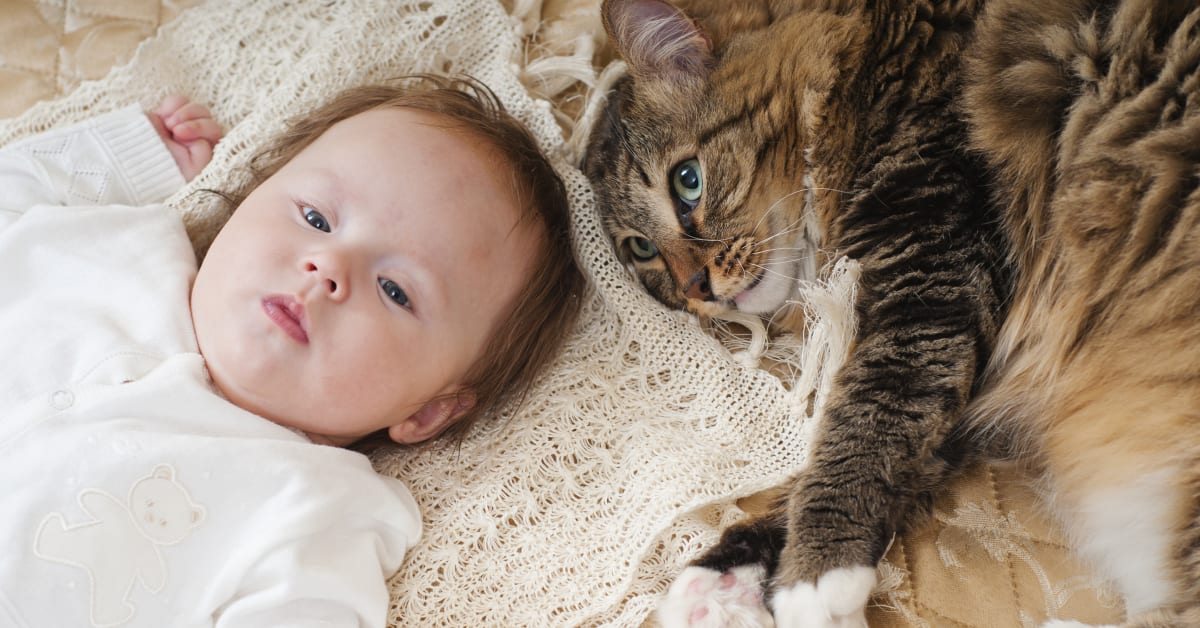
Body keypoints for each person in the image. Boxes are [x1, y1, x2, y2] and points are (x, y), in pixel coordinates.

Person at [0, 75, 584, 627]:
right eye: (315, 217)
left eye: (395, 290)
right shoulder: (107, 242)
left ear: (427, 410)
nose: (329, 266)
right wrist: (133, 159)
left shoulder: (312, 509)